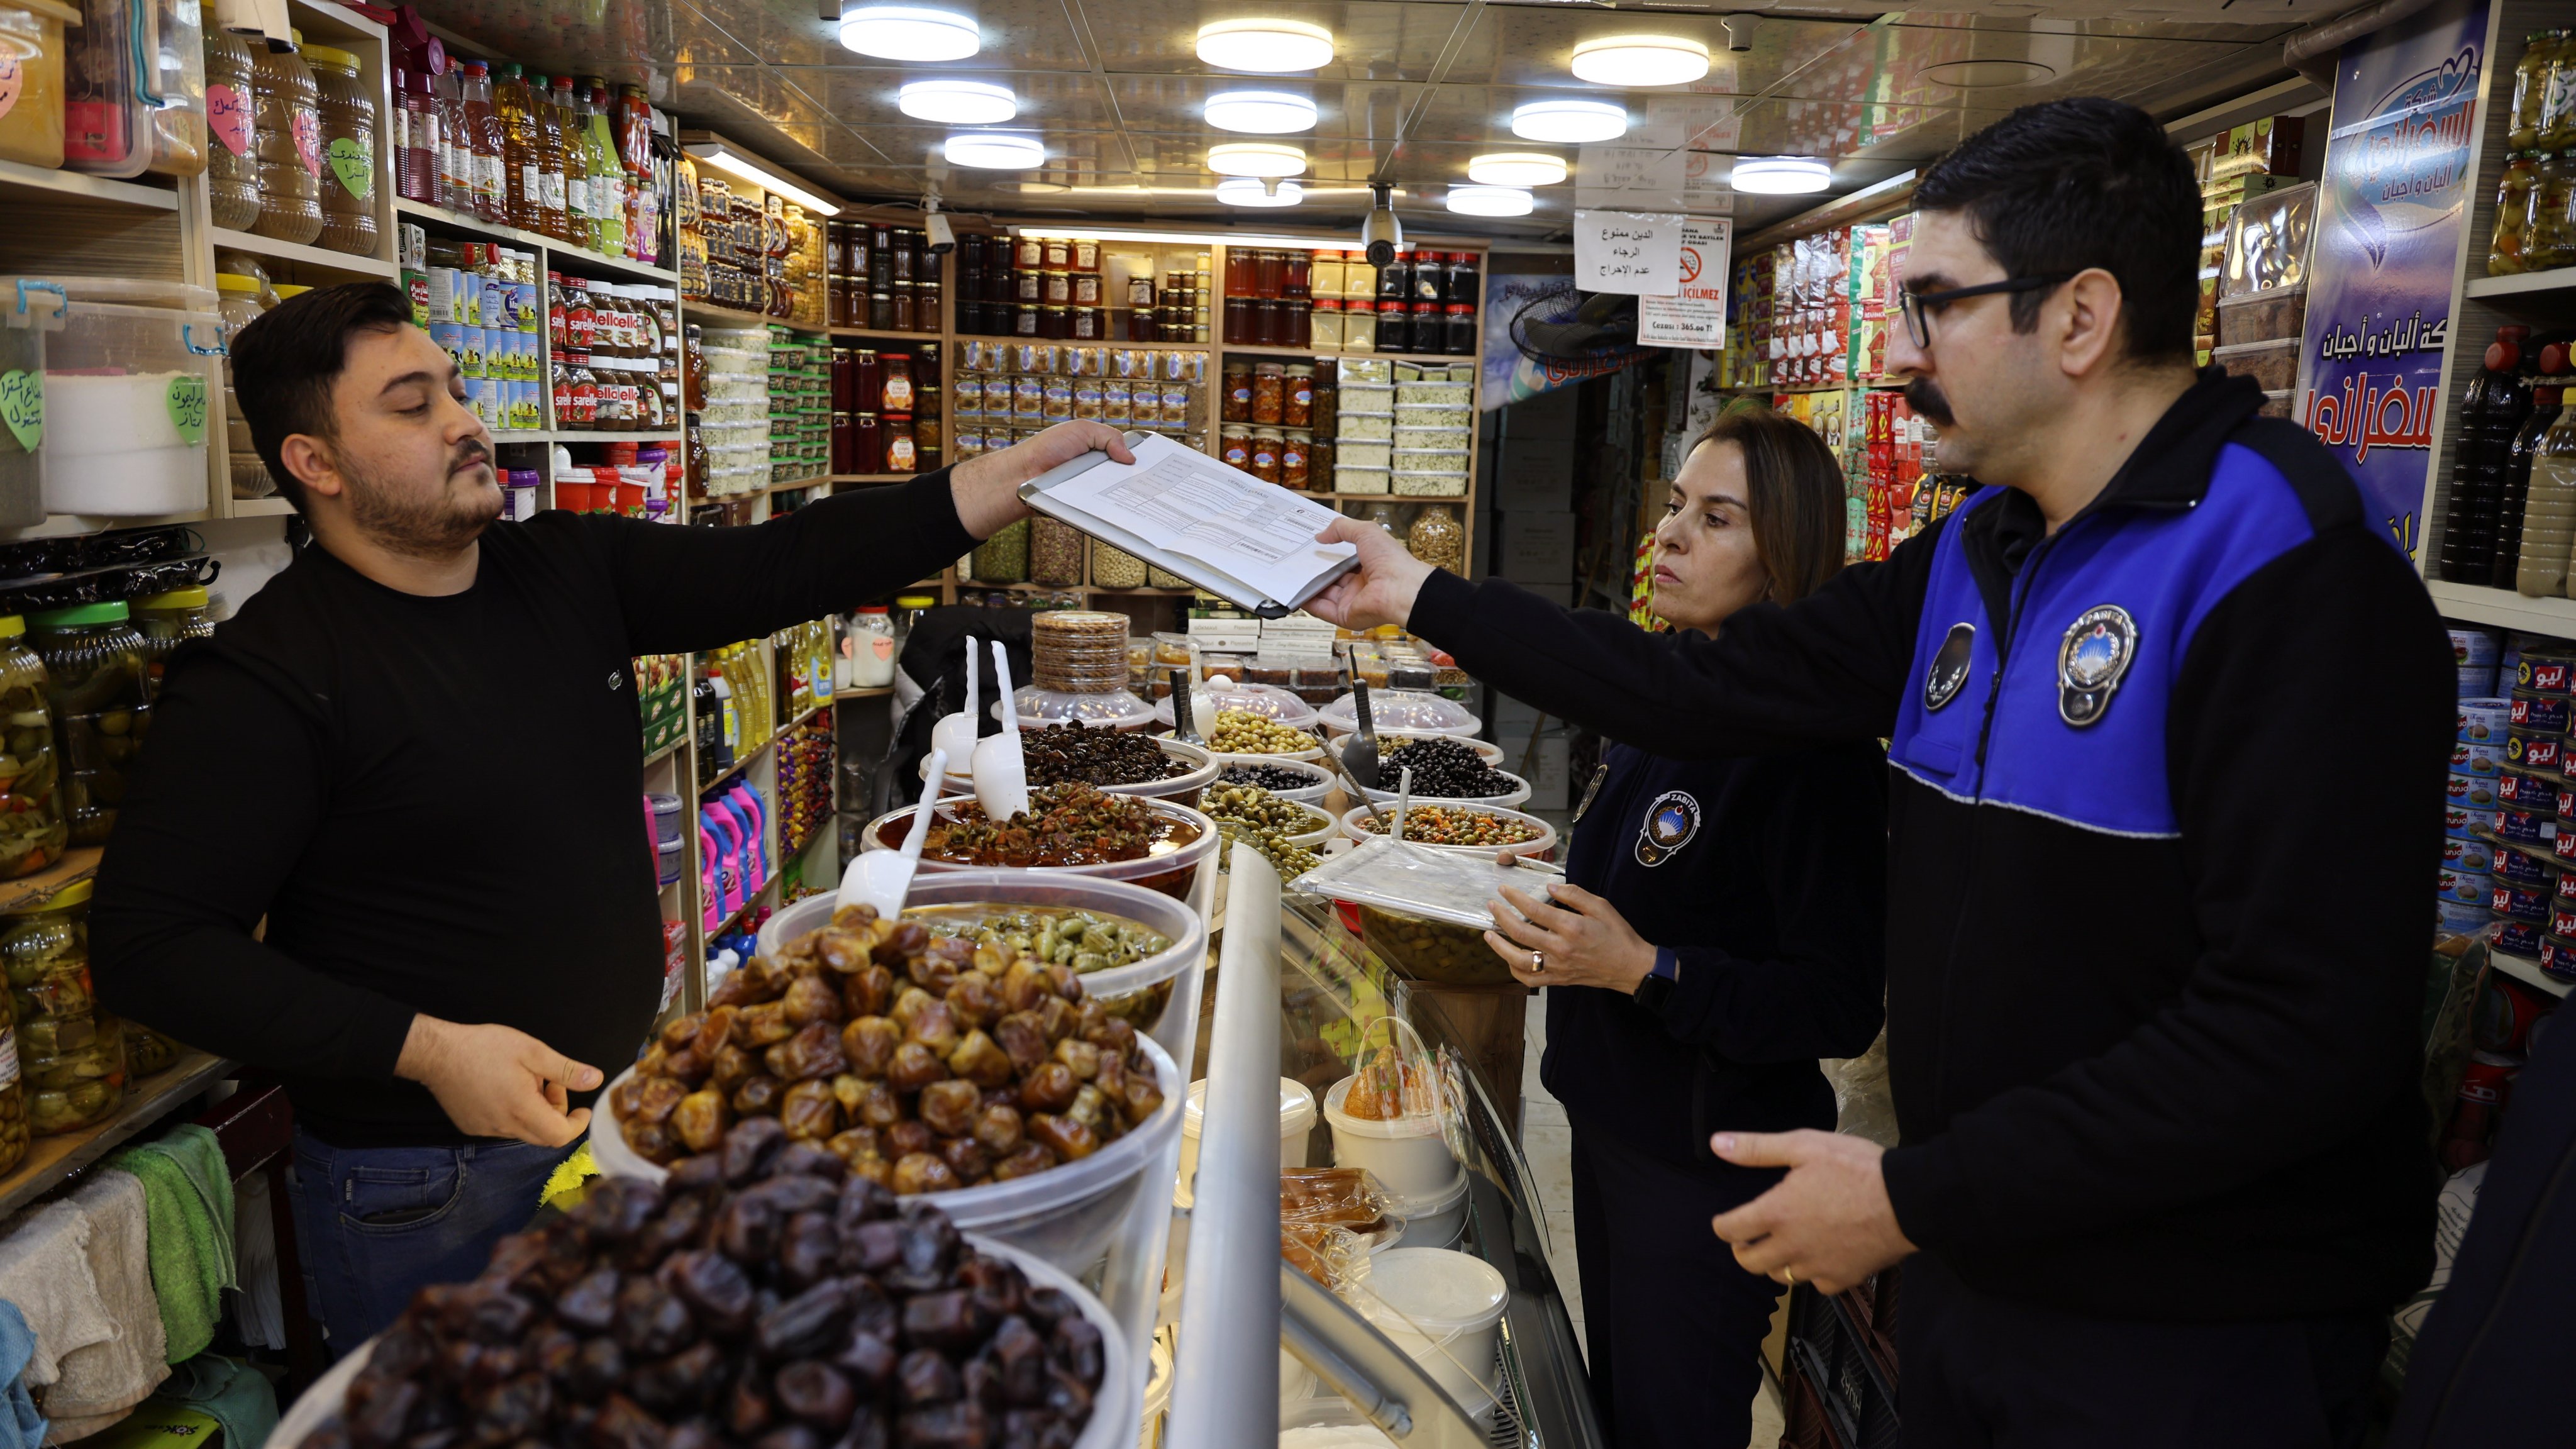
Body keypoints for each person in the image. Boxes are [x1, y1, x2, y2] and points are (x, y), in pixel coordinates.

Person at [1307, 97, 2451, 1447]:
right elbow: (1694, 685)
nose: (1895, 355)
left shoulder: (2290, 572)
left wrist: (1917, 1196)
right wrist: (1423, 593)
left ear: (2076, 318)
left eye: (1930, 307)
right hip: (1985, 1267)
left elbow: (2295, 1033)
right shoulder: (1974, 554)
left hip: (2191, 1331)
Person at [89, 282, 1132, 1350]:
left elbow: (790, 561)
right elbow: (147, 946)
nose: (465, 419)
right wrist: (433, 1052)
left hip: (615, 1119)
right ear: (315, 463)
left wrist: (1016, 477)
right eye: (413, 406)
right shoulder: (266, 676)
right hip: (422, 1186)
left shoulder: (561, 571)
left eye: (455, 387)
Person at [1479, 408, 1884, 1448]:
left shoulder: (1816, 754)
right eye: (1672, 507)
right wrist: (1555, 926)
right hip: (1611, 1123)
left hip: (1703, 1171)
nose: (1670, 536)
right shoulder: (1664, 704)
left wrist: (1643, 969)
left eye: (1716, 519)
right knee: (1615, 1413)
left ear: (1782, 556)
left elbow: (1835, 1003)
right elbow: (1642, 897)